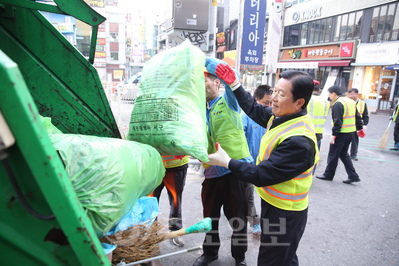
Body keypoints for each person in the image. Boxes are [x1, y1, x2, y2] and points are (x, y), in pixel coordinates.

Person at [206, 62, 319, 266]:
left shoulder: (299, 142)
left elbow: (260, 174)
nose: (273, 98)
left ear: (299, 102)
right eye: (275, 91)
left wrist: (227, 162)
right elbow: (253, 108)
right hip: (273, 204)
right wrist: (235, 85)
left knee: (271, 259)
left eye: (281, 94)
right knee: (285, 257)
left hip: (285, 214)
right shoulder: (282, 117)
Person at [193, 59, 253, 266]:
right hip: (211, 172)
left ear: (216, 82)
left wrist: (206, 61)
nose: (200, 88)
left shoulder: (228, 102)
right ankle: (210, 252)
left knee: (238, 218)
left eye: (204, 82)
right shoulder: (198, 110)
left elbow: (231, 76)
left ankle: (239, 257)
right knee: (210, 218)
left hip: (234, 171)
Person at [241, 85, 273, 237]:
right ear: (256, 100)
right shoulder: (245, 117)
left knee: (268, 197)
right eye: (266, 103)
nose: (269, 107)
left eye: (271, 104)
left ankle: (267, 223)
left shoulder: (274, 119)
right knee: (249, 196)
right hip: (250, 165)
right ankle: (255, 223)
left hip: (267, 165)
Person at [316, 86, 364, 184]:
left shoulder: (338, 103)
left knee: (333, 154)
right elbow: (357, 116)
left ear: (334, 93)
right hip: (350, 132)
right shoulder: (350, 101)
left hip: (341, 133)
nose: (330, 97)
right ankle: (353, 175)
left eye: (330, 94)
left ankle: (328, 174)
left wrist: (334, 134)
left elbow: (337, 121)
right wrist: (359, 128)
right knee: (343, 154)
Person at [150, 155, 188, 247]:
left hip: (176, 165)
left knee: (175, 201)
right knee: (150, 201)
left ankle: (175, 231)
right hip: (152, 165)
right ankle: (151, 233)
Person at [347, 88, 369, 160]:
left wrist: (365, 124)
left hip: (356, 125)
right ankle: (343, 154)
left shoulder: (362, 103)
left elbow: (365, 115)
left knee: (355, 141)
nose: (350, 96)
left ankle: (353, 154)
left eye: (352, 94)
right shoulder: (347, 102)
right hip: (347, 124)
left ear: (357, 94)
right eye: (349, 94)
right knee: (345, 140)